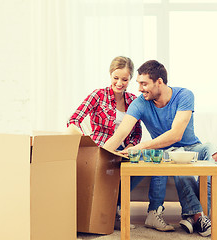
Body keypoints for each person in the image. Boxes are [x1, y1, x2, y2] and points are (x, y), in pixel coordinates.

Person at [103, 59, 217, 237]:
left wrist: (141, 146)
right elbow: (119, 135)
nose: (140, 88)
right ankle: (198, 217)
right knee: (175, 155)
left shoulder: (184, 95)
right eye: (138, 83)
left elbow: (176, 134)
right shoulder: (140, 103)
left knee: (213, 150)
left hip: (192, 147)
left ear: (159, 82)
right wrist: (99, 156)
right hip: (168, 153)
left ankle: (196, 216)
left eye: (144, 84)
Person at [67, 56, 174, 232]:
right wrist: (88, 142)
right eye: (116, 78)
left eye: (124, 79)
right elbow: (74, 120)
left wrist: (129, 148)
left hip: (123, 153)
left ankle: (147, 212)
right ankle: (113, 212)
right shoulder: (98, 95)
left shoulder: (134, 100)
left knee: (154, 161)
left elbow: (137, 132)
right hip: (102, 151)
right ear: (110, 75)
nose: (119, 83)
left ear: (130, 79)